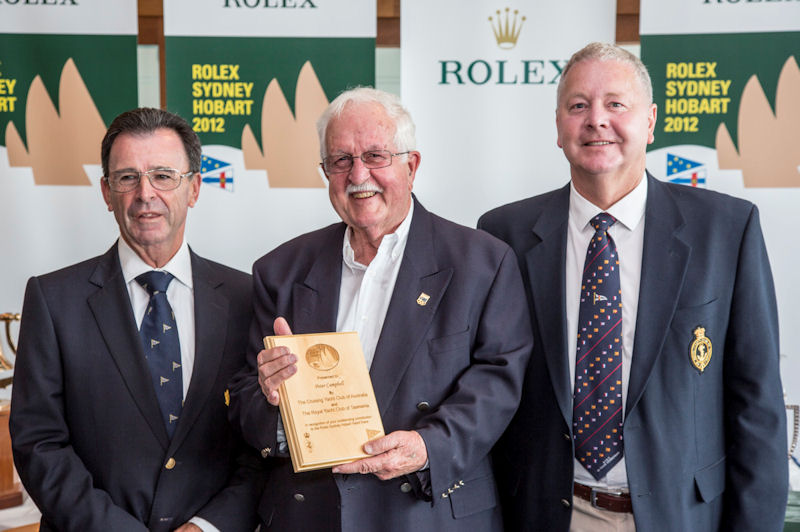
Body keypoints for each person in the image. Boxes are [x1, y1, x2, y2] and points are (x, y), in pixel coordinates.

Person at [479, 42, 788, 531]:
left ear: (650, 122)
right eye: (578, 105)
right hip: (544, 514)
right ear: (558, 126)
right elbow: (485, 385)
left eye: (615, 104)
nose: (596, 119)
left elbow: (757, 405)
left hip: (680, 516)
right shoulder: (502, 235)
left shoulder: (727, 230)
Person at [227, 87, 533, 531]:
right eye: (341, 160)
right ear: (326, 171)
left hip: (427, 513)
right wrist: (274, 400)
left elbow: (500, 382)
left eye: (375, 156)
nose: (358, 174)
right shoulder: (280, 270)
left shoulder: (482, 262)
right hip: (311, 514)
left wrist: (430, 446)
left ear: (412, 165)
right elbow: (243, 399)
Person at [10, 108, 261, 532]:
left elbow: (260, 442)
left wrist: (208, 526)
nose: (146, 193)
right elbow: (39, 443)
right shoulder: (53, 299)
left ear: (195, 188)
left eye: (164, 175)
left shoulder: (247, 298)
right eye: (127, 177)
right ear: (107, 193)